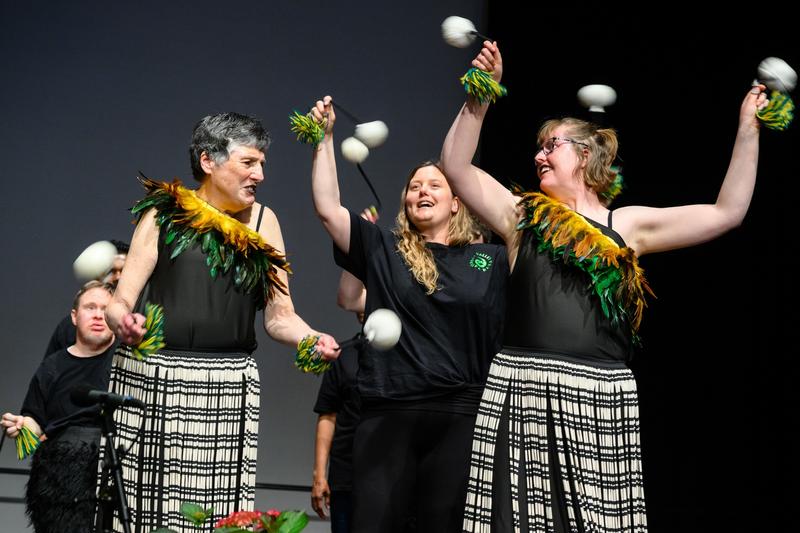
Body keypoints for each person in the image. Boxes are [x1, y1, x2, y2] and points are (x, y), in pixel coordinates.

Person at [440, 41, 768, 532]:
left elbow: (727, 213)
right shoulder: (520, 215)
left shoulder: (627, 225)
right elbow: (457, 167)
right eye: (539, 147)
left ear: (587, 154)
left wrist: (747, 131)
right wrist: (479, 97)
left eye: (552, 145)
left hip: (601, 393)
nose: (539, 155)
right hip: (523, 386)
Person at [103, 112, 339, 532]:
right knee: (146, 512)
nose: (260, 174)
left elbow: (280, 317)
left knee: (216, 518)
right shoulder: (164, 214)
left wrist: (312, 336)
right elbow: (119, 302)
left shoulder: (265, 223)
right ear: (208, 160)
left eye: (263, 164)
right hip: (157, 379)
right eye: (249, 162)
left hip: (228, 384)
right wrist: (124, 324)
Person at [309, 95, 509, 532]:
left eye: (435, 185)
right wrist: (323, 140)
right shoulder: (384, 249)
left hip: (461, 417)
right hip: (387, 413)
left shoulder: (490, 260)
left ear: (457, 202)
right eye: (415, 186)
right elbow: (328, 208)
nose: (422, 191)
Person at [2, 280, 117, 533]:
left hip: (114, 468)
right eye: (91, 307)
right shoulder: (52, 366)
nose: (98, 315)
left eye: (105, 309)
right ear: (74, 317)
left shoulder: (126, 362)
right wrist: (21, 426)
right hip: (59, 476)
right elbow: (34, 418)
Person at [311, 269, 366, 533]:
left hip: (391, 476)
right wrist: (319, 475)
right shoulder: (343, 356)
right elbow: (328, 415)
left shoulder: (408, 358)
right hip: (346, 477)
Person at [43, 240, 128, 358]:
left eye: (124, 271)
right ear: (99, 275)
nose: (118, 277)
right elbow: (52, 371)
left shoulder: (142, 322)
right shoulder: (71, 326)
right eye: (111, 271)